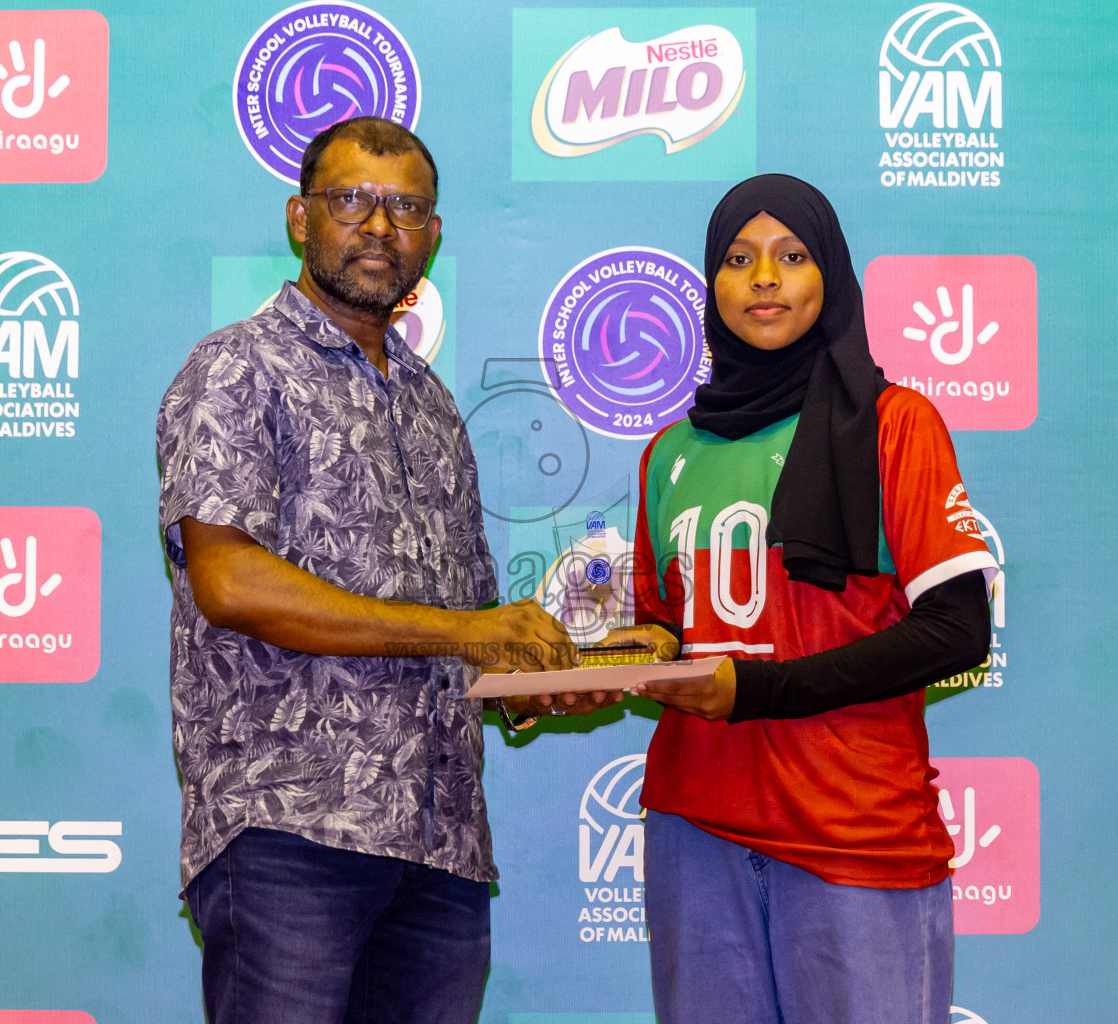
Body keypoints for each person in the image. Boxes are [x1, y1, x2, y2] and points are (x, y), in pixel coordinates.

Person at [156, 116, 575, 1024]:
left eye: (407, 207)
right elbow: (229, 583)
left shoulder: (432, 405)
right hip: (289, 832)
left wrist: (538, 673)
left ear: (433, 234)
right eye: (351, 200)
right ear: (301, 219)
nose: (379, 226)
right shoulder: (235, 368)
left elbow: (468, 626)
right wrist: (467, 632)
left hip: (441, 847)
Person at [603, 174, 998, 1024]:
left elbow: (959, 632)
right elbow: (661, 633)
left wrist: (761, 690)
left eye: (792, 256)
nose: (765, 279)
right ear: (712, 283)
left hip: (852, 831)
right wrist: (602, 665)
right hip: (694, 827)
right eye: (739, 259)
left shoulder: (894, 425)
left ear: (833, 277)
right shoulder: (669, 451)